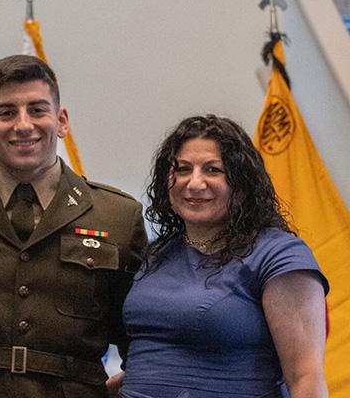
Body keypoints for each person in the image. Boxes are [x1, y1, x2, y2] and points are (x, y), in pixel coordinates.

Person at [0, 55, 147, 398]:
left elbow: (144, 341)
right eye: (6, 113)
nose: (23, 125)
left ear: (62, 120)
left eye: (37, 110)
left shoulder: (117, 217)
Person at [119, 115, 329, 398]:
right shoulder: (157, 253)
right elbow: (156, 364)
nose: (194, 183)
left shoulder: (278, 256)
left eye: (212, 170)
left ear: (241, 182)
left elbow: (306, 378)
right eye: (182, 169)